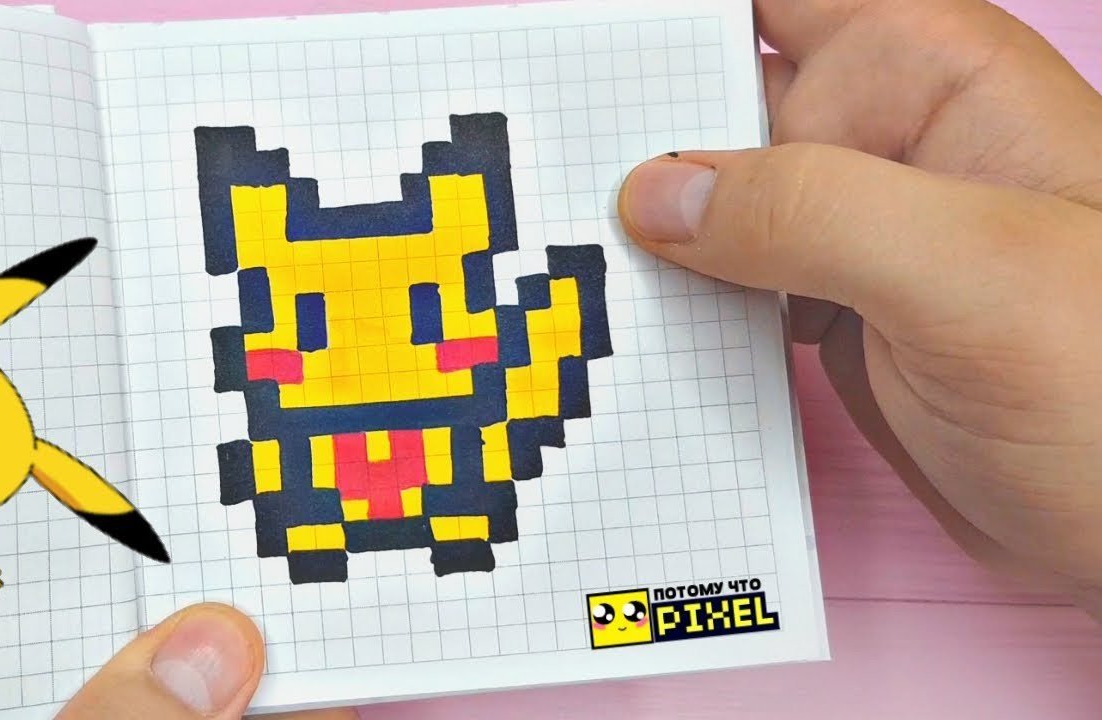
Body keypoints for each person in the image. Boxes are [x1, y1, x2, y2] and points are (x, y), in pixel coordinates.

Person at [55, 0, 1102, 716]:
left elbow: (539, 355)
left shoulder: (465, 349)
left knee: (453, 503)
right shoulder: (283, 372)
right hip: (324, 485)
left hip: (439, 480)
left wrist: (550, 320)